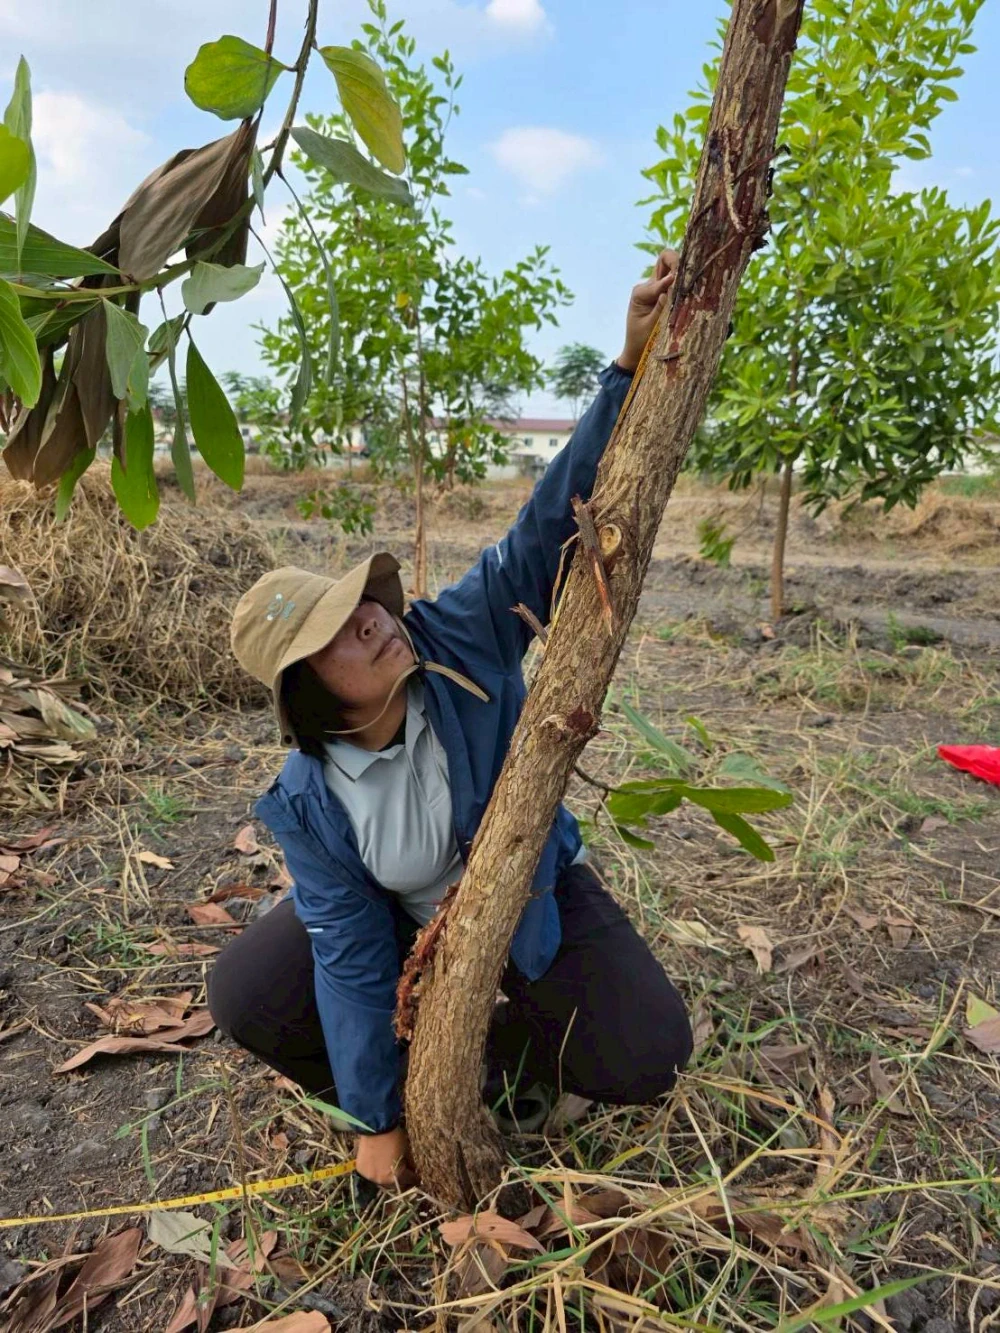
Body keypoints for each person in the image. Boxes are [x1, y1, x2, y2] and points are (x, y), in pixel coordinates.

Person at [210, 249, 693, 1195]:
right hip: (398, 928)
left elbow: (546, 529)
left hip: (526, 900)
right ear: (311, 696)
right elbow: (351, 956)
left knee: (649, 1051)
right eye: (341, 632)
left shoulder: (456, 639)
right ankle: (421, 1058)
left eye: (365, 602)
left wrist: (627, 370)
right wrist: (376, 1120)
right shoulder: (308, 802)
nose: (376, 618)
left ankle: (505, 1045)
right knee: (246, 993)